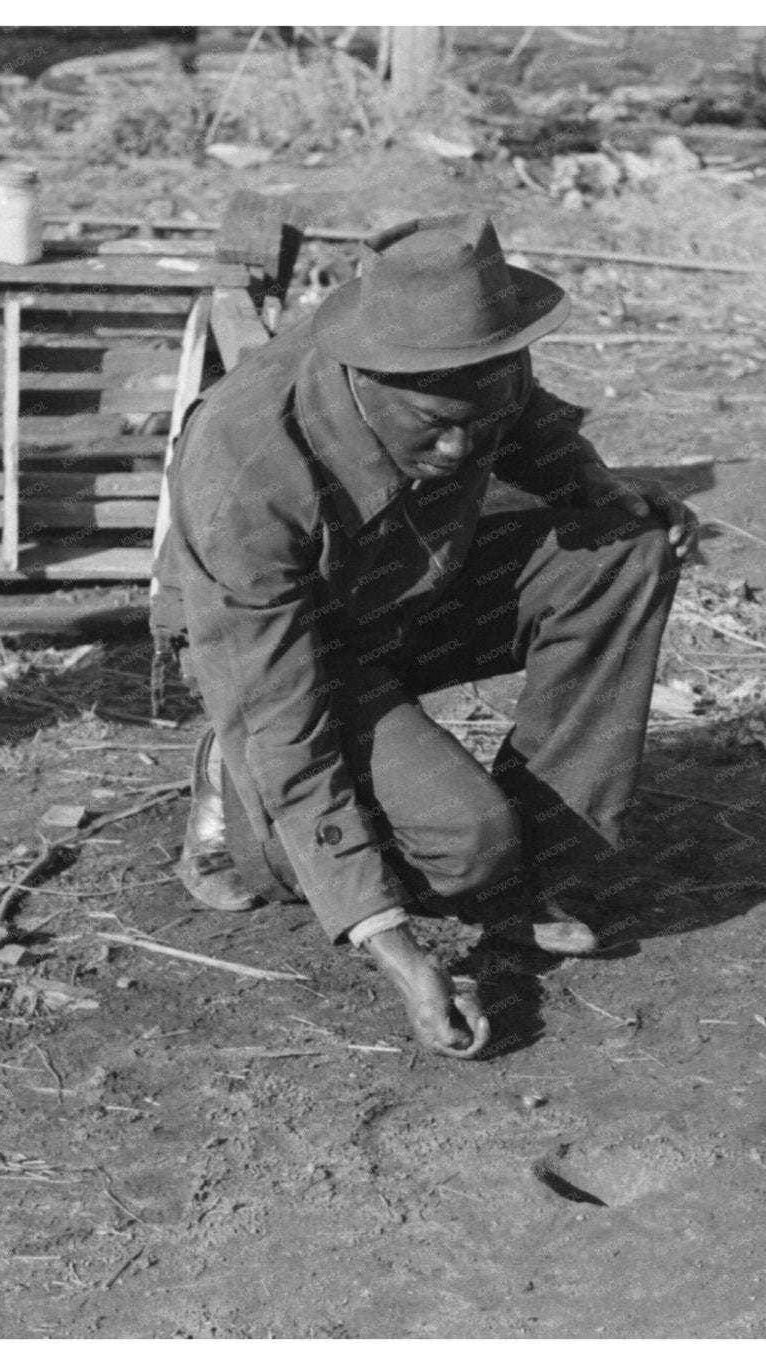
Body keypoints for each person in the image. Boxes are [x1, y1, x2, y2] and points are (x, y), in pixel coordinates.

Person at [151, 214, 697, 1058]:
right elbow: (283, 717)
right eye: (436, 426)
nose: (460, 446)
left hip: (403, 590)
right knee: (465, 842)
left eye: (478, 420)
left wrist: (601, 486)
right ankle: (236, 801)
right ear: (369, 376)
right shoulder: (248, 471)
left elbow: (528, 423)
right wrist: (395, 947)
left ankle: (526, 877)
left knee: (623, 555)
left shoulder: (472, 372)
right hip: (279, 658)